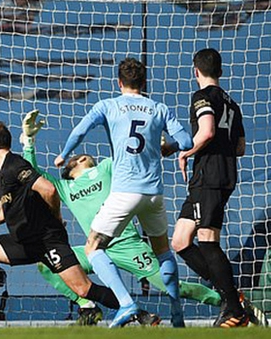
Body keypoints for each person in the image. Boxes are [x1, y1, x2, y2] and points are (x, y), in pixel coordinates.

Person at [20, 110, 221, 327]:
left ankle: (228, 301)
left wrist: (154, 141)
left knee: (175, 287)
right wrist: (28, 142)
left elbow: (133, 157)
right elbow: (32, 174)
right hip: (94, 249)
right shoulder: (64, 188)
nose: (79, 155)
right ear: (73, 166)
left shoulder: (107, 166)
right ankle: (87, 305)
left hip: (127, 245)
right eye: (75, 157)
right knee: (47, 263)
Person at [54, 57, 194, 327]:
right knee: (163, 253)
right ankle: (177, 315)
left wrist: (64, 155)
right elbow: (187, 141)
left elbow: (80, 130)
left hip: (125, 192)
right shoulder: (159, 108)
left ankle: (126, 303)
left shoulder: (108, 106)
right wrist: (171, 146)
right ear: (144, 83)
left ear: (119, 82)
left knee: (93, 248)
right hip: (154, 194)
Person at [0, 121, 122, 328]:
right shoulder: (0, 175)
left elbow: (49, 190)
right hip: (24, 243)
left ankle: (135, 311)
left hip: (47, 240)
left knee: (83, 289)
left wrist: (56, 217)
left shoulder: (15, 165)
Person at [169, 48, 248, 328]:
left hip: (210, 176)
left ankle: (235, 309)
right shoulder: (233, 104)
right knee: (180, 241)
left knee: (207, 240)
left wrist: (186, 153)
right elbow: (240, 148)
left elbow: (207, 131)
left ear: (196, 71)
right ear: (221, 71)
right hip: (219, 175)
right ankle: (230, 295)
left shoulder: (201, 97)